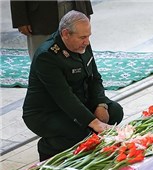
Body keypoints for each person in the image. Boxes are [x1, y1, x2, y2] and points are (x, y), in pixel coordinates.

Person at [22, 10, 124, 162]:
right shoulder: (47, 56)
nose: (87, 41)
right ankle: (48, 149)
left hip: (77, 101)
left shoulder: (82, 45)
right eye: (83, 37)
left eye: (89, 36)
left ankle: (90, 147)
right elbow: (64, 97)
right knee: (80, 130)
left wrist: (100, 104)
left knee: (114, 112)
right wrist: (95, 123)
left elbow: (95, 78)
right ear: (65, 34)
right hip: (47, 112)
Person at [10, 0, 93, 60]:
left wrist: (86, 9)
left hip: (74, 5)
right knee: (42, 56)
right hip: (39, 12)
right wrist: (20, 19)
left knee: (76, 56)